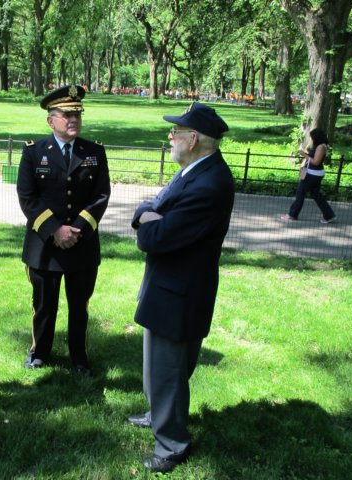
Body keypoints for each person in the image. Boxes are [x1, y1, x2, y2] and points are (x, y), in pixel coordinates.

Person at [129, 102, 234, 473]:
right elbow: (150, 209)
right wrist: (151, 215)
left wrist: (151, 220)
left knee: (169, 370)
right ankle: (158, 413)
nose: (169, 137)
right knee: (159, 367)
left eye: (175, 132)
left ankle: (172, 443)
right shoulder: (195, 171)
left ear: (193, 139)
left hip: (180, 291)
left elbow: (154, 237)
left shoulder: (209, 183)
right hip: (172, 286)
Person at [16, 85, 111, 374]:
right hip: (44, 246)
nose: (73, 121)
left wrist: (76, 229)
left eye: (77, 115)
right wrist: (55, 230)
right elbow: (27, 197)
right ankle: (39, 352)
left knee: (79, 307)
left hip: (81, 245)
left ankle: (79, 357)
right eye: (67, 115)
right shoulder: (34, 152)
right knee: (44, 305)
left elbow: (101, 196)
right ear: (51, 120)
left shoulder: (94, 152)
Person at [280, 127, 336, 223]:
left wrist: (304, 155)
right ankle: (329, 215)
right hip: (313, 173)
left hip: (313, 174)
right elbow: (312, 158)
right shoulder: (319, 146)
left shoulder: (321, 147)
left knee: (300, 193)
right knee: (316, 194)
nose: (311, 139)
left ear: (316, 137)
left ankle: (292, 214)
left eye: (312, 137)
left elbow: (316, 162)